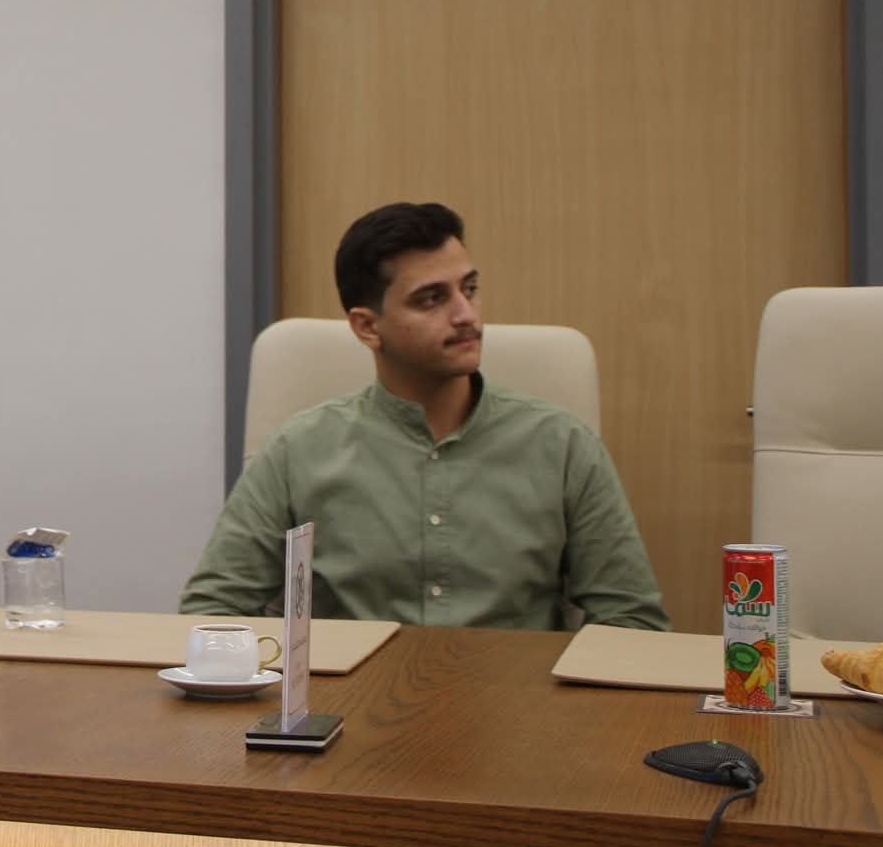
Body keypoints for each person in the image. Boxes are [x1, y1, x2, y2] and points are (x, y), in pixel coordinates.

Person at [181, 202, 667, 630]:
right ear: (367, 327)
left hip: (515, 701)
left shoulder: (562, 445)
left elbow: (632, 621)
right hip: (350, 701)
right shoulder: (299, 450)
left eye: (469, 289)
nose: (466, 315)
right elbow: (214, 611)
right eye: (432, 299)